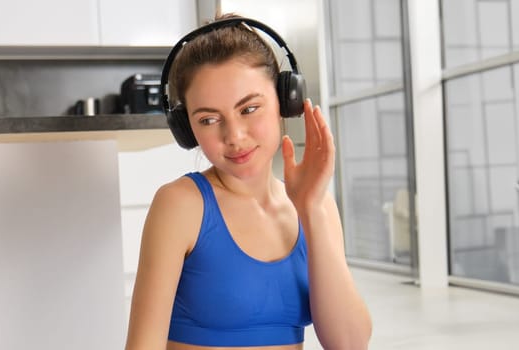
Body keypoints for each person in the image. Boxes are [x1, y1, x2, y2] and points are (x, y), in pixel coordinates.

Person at [125, 14, 372, 350]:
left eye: (250, 108)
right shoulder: (181, 205)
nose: (234, 136)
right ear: (187, 128)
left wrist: (311, 210)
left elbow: (349, 343)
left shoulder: (318, 206)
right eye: (209, 119)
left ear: (286, 101)